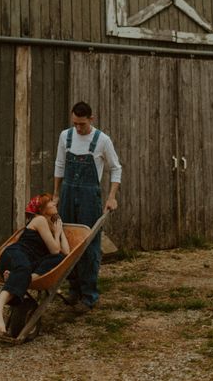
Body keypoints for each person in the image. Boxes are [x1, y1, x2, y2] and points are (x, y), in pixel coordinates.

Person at [53, 101, 122, 311]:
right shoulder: (66, 136)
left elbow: (116, 169)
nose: (79, 128)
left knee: (89, 245)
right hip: (67, 194)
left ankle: (89, 294)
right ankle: (74, 290)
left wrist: (111, 197)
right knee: (67, 240)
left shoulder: (102, 140)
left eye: (82, 124)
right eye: (75, 123)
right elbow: (60, 164)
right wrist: (56, 194)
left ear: (91, 119)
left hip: (89, 198)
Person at [0, 194, 70, 334]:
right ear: (42, 209)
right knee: (26, 266)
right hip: (15, 255)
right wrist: (56, 235)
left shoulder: (53, 226)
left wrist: (59, 232)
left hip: (30, 263)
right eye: (50, 202)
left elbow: (67, 253)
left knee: (58, 259)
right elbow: (55, 249)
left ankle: (17, 279)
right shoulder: (39, 220)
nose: (54, 203)